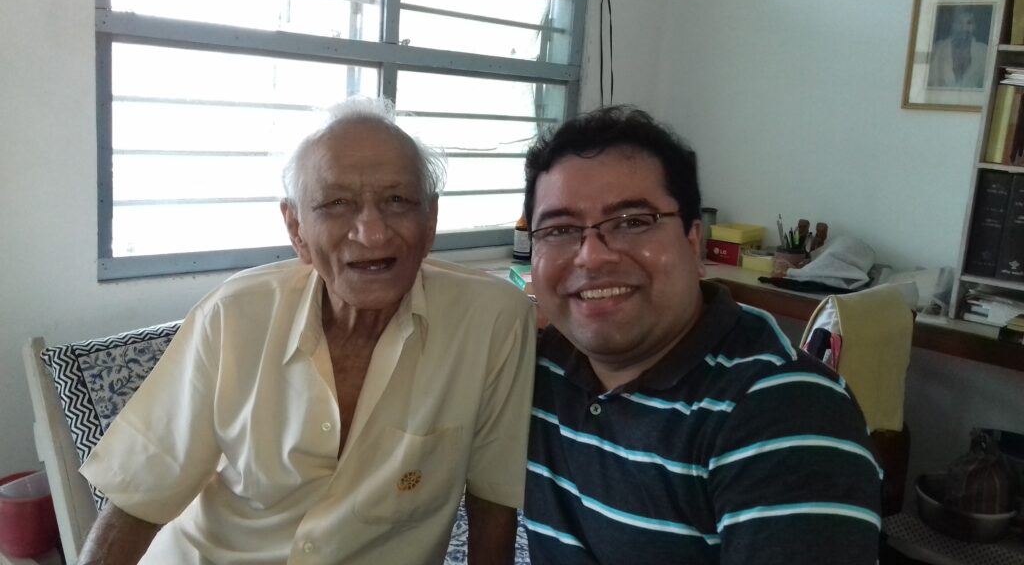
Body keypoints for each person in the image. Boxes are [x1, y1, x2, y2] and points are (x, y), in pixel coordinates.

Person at [78, 98, 536, 564]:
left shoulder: (494, 322)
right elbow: (137, 502)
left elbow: (494, 504)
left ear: (431, 220)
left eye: (398, 200)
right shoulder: (233, 315)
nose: (373, 233)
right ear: (296, 228)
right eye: (337, 204)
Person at [520, 106, 882, 564]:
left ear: (693, 243)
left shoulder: (787, 411)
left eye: (632, 221)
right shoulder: (533, 365)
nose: (591, 257)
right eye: (560, 229)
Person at [928, 8, 988, 89]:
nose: (964, 28)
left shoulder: (985, 51)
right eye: (959, 23)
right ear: (952, 25)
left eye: (969, 23)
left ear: (975, 26)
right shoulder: (938, 48)